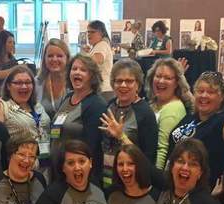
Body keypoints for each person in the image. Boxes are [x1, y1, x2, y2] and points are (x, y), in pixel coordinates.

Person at [169, 71, 224, 185]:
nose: (204, 95)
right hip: (174, 181)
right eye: (200, 91)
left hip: (201, 186)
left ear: (222, 97)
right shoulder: (191, 117)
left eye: (211, 92)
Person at [50, 53, 108, 184]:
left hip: (77, 173)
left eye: (83, 70)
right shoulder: (67, 97)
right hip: (58, 168)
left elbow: (91, 148)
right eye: (74, 69)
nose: (77, 72)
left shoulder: (96, 104)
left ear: (92, 76)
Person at [99, 59, 159, 185]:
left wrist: (121, 136)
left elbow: (147, 159)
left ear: (138, 84)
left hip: (131, 180)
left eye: (129, 81)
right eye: (119, 81)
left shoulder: (145, 113)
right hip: (106, 176)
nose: (123, 85)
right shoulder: (109, 106)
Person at [0, 65, 52, 178]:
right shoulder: (3, 107)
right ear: (8, 85)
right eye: (18, 83)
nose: (24, 86)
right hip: (21, 168)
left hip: (45, 166)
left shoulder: (37, 106)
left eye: (28, 82)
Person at [146, 58, 192, 169]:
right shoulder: (154, 103)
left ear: (177, 83)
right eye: (158, 76)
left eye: (167, 78)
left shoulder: (173, 109)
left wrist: (156, 179)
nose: (161, 81)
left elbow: (163, 150)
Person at [36, 38, 71, 120]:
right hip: (43, 131)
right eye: (50, 56)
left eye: (59, 56)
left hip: (71, 131)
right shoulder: (36, 83)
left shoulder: (74, 83)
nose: (54, 59)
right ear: (44, 59)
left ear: (67, 58)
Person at [84, 20, 114, 100]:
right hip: (103, 89)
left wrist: (83, 57)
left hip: (103, 90)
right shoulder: (99, 45)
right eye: (88, 32)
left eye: (92, 32)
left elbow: (99, 59)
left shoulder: (102, 44)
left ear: (101, 33)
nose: (89, 34)